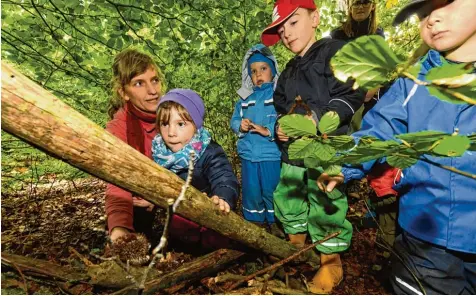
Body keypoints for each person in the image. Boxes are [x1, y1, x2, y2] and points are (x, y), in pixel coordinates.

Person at [318, 0, 476, 294]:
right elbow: (380, 128)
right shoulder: (413, 82)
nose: (432, 19)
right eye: (424, 13)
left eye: (447, 4)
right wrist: (344, 164)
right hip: (425, 234)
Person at [260, 0, 365, 293]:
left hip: (325, 150)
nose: (287, 33)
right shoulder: (287, 72)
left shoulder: (333, 52)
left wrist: (321, 118)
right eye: (281, 30)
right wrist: (280, 127)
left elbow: (350, 93)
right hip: (293, 154)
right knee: (289, 193)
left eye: (293, 23)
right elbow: (281, 108)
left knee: (325, 200)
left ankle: (331, 258)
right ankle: (296, 241)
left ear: (315, 18)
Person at [152, 88, 239, 250]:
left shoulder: (208, 151)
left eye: (180, 124)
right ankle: (182, 250)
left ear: (196, 126)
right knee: (178, 228)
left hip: (208, 210)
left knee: (214, 234)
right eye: (165, 124)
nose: (171, 132)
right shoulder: (159, 154)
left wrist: (222, 197)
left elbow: (224, 177)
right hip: (180, 215)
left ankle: (214, 253)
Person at [105, 48, 166, 243]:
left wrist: (159, 196)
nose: (153, 91)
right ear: (124, 93)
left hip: (175, 196)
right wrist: (120, 228)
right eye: (139, 83)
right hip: (142, 206)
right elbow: (117, 182)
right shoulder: (118, 128)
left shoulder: (174, 113)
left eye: (154, 80)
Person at [230, 44, 283, 237]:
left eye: (263, 68)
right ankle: (255, 224)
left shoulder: (278, 97)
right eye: (253, 71)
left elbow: (284, 121)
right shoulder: (245, 99)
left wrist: (268, 130)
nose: (258, 74)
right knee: (252, 190)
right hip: (249, 155)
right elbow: (234, 120)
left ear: (273, 70)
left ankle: (276, 222)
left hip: (270, 154)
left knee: (271, 190)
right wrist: (240, 126)